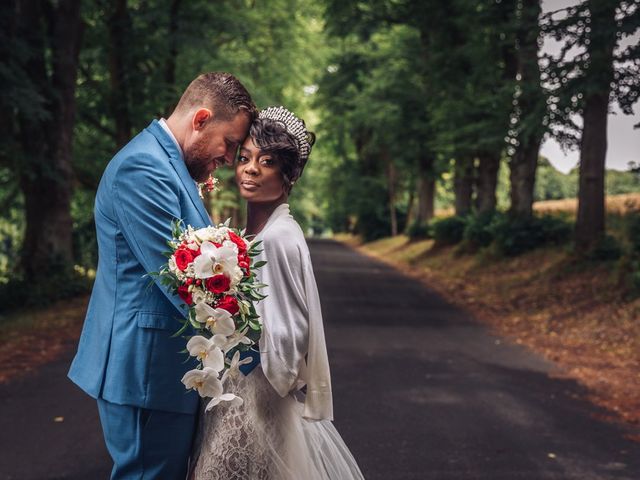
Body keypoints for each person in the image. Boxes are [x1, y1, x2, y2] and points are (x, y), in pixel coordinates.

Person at [68, 72, 257, 480]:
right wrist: (258, 342)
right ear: (201, 118)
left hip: (161, 370)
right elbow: (183, 282)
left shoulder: (166, 163)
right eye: (229, 143)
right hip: (143, 368)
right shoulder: (143, 167)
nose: (228, 158)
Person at [190, 106, 365, 480]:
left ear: (289, 175)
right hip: (240, 394)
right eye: (245, 158)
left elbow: (290, 333)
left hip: (256, 398)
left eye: (266, 162)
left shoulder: (278, 238)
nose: (250, 169)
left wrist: (247, 359)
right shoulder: (259, 234)